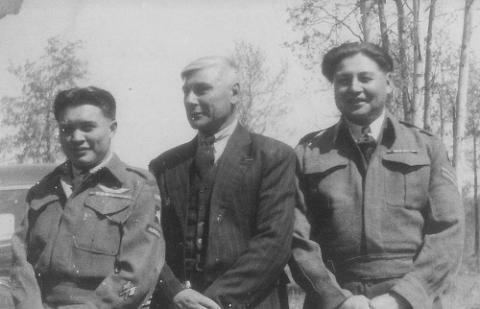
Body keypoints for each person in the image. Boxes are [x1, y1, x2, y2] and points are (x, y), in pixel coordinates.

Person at [290, 42, 464, 309]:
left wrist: (402, 298)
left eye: (365, 78)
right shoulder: (308, 153)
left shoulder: (427, 147)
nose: (355, 88)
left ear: (389, 82)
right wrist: (337, 300)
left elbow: (448, 232)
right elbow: (296, 238)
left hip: (411, 301)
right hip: (335, 300)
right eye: (343, 80)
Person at [149, 56, 296, 309]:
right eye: (186, 92)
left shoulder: (273, 156)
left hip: (250, 302)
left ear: (235, 93)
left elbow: (273, 243)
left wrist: (214, 302)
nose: (190, 100)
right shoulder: (165, 165)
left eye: (202, 90)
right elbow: (148, 241)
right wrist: (174, 291)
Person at [17, 86, 165, 308]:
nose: (76, 138)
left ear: (112, 129)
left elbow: (137, 277)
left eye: (87, 127)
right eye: (66, 129)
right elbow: (20, 262)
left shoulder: (137, 188)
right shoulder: (43, 189)